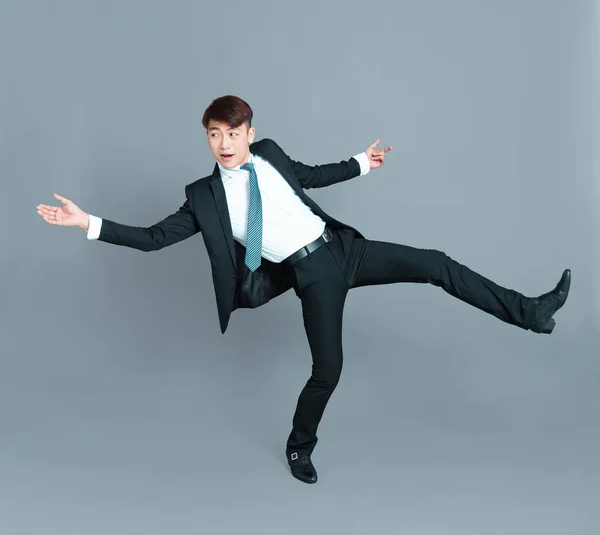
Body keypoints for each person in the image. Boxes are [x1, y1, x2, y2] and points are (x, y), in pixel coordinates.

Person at [36, 94, 571, 484]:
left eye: (231, 132)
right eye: (213, 135)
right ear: (208, 138)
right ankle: (299, 448)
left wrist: (362, 164)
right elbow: (153, 238)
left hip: (342, 248)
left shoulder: (269, 152)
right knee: (329, 370)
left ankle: (530, 312)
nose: (222, 144)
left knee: (435, 263)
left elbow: (309, 175)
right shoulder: (202, 197)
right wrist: (88, 223)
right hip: (310, 275)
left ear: (249, 131)